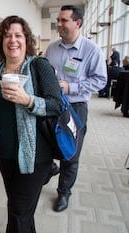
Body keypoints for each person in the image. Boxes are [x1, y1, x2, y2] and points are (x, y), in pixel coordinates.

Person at [0, 15, 62, 233]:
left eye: (18, 35)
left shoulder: (39, 67)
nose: (13, 40)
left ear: (26, 40)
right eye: (7, 35)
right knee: (18, 208)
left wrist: (27, 100)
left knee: (19, 211)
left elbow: (56, 105)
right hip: (5, 155)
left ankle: (47, 171)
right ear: (1, 41)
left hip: (36, 155)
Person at [44, 5, 107, 212]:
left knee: (70, 154)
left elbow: (100, 80)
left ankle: (64, 193)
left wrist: (72, 87)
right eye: (58, 20)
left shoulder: (92, 50)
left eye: (64, 20)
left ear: (77, 23)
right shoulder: (52, 48)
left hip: (75, 107)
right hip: (52, 105)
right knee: (46, 143)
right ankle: (49, 168)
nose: (59, 24)